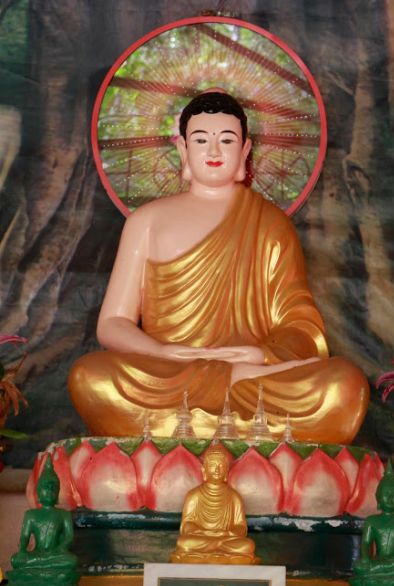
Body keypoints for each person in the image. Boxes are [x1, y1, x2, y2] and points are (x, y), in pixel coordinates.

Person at [69, 91, 369, 443]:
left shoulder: (270, 224)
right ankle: (239, 409)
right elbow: (112, 324)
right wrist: (163, 352)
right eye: (201, 140)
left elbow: (299, 324)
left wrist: (262, 355)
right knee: (89, 376)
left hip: (251, 371)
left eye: (226, 140)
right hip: (172, 370)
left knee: (345, 384)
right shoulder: (146, 221)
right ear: (183, 149)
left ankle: (196, 417)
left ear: (244, 150)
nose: (214, 151)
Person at [171, 444, 257, 564]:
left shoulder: (234, 497)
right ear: (204, 470)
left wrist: (228, 533)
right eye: (212, 465)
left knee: (247, 545)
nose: (217, 470)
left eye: (221, 466)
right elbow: (186, 525)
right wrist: (203, 532)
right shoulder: (194, 495)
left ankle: (213, 550)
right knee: (184, 543)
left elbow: (241, 526)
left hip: (226, 539)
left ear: (227, 471)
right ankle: (218, 550)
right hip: (202, 538)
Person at [7, 455, 80, 586]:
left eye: (53, 488)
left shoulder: (64, 514)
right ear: (39, 491)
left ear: (58, 492)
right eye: (46, 488)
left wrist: (61, 548)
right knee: (16, 560)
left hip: (56, 555)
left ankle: (37, 574)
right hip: (37, 554)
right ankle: (48, 574)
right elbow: (24, 537)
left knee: (72, 560)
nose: (50, 491)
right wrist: (22, 551)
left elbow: (69, 536)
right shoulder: (31, 515)